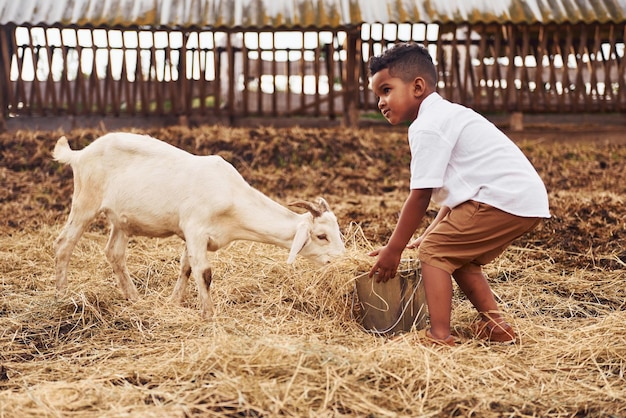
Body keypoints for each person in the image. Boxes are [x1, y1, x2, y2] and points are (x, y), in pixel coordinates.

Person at [367, 42, 550, 346]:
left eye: (386, 90)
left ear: (417, 86)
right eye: (377, 96)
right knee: (457, 256)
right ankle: (497, 327)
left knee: (435, 253)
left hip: (501, 198)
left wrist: (393, 249)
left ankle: (439, 336)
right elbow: (458, 194)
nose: (381, 103)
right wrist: (431, 232)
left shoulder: (427, 126)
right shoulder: (447, 115)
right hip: (520, 199)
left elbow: (420, 196)